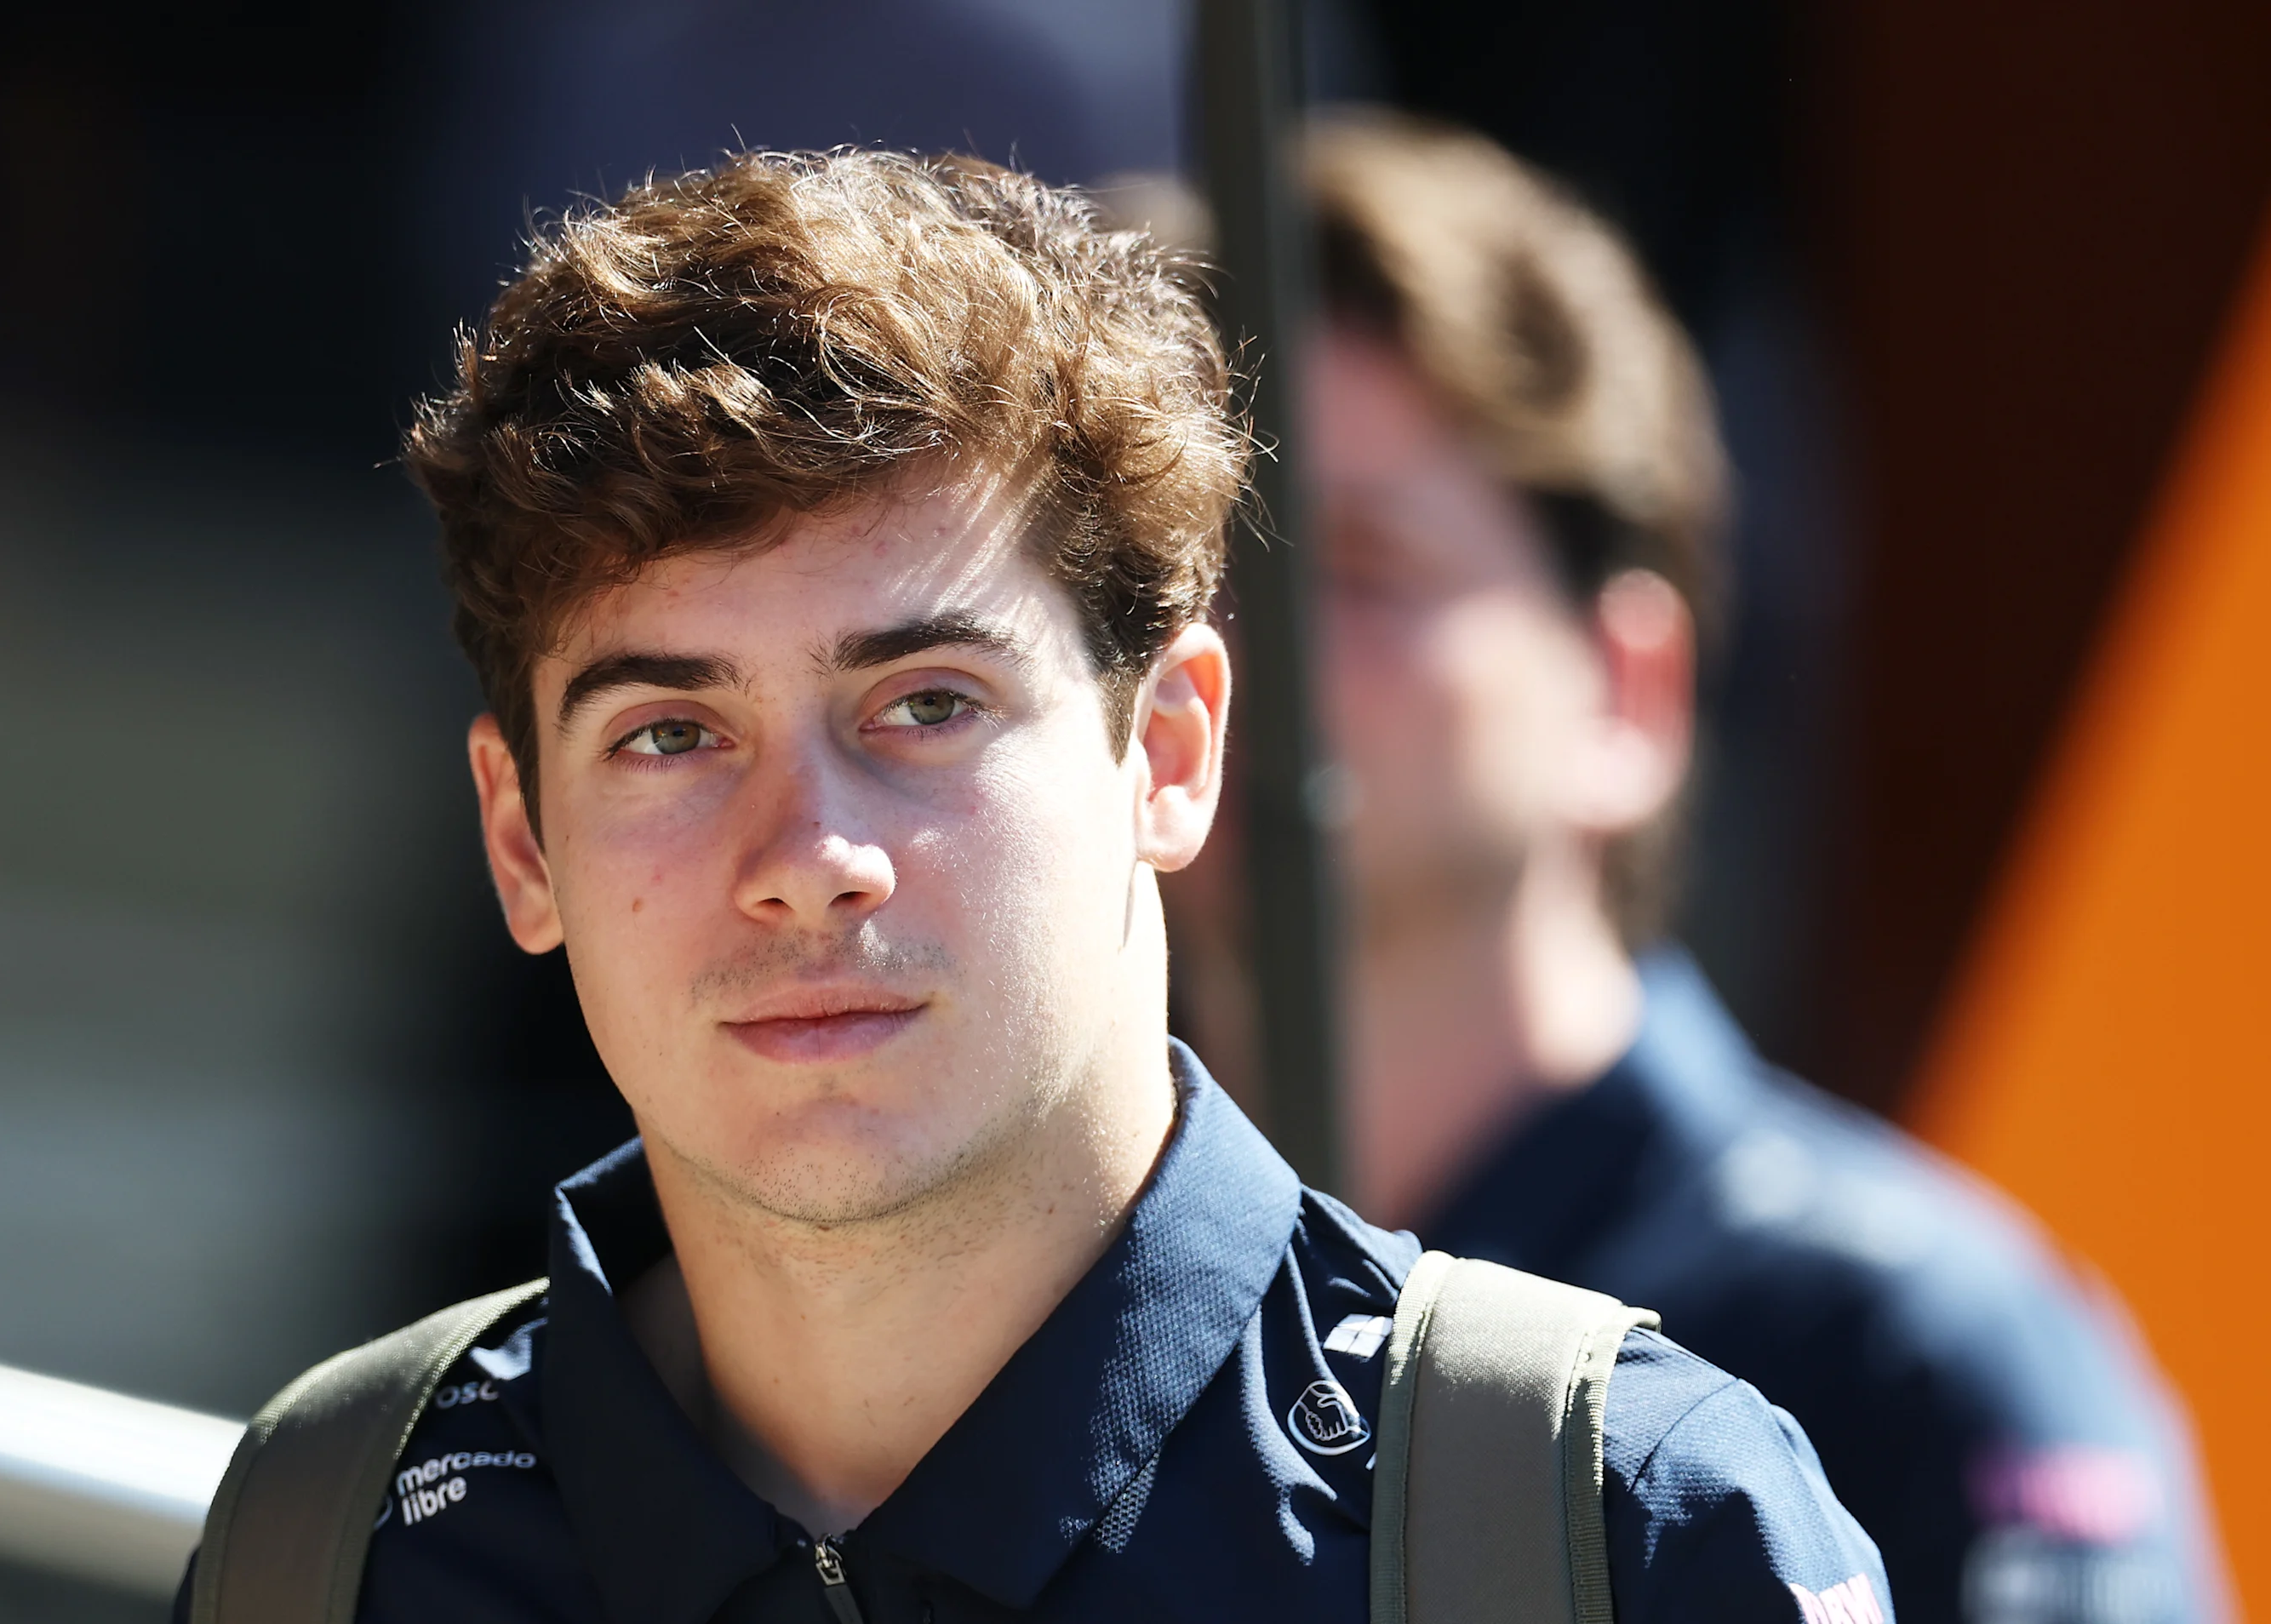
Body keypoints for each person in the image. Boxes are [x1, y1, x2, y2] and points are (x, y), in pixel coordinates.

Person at [185, 147, 1890, 1623]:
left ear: (1169, 754)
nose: (805, 861)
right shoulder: (331, 1543)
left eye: (926, 706)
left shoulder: (1622, 1531)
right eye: (666, 734)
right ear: (517, 838)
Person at [1209, 113, 2222, 1624]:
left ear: (1630, 688)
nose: (1241, 652)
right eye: (1193, 571)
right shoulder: (1074, 1330)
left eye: (1358, 569)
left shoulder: (1904, 1352)